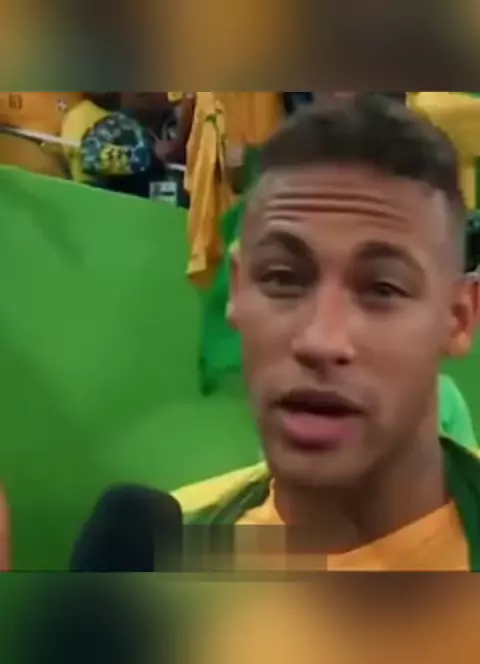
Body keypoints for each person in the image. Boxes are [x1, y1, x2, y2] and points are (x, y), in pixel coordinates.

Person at [174, 95, 480, 571]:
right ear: (236, 289)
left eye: (382, 288)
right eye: (282, 278)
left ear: (459, 317)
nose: (320, 341)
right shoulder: (168, 546)